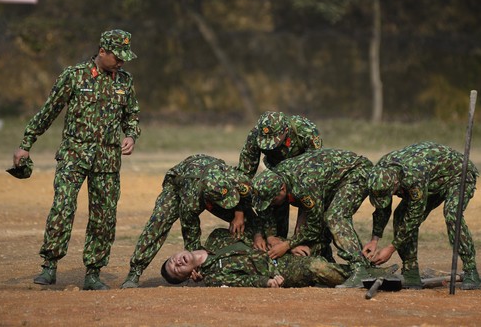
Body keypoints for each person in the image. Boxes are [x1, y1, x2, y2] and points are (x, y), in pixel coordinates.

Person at [10, 29, 141, 291]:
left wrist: (131, 135)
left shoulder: (125, 80)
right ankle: (49, 266)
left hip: (107, 160)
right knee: (63, 207)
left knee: (104, 217)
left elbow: (132, 115)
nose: (121, 62)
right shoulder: (74, 76)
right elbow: (49, 111)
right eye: (117, 56)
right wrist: (26, 145)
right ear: (102, 51)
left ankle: (93, 273)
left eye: (125, 58)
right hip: (74, 155)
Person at [120, 154, 253, 288]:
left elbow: (247, 194)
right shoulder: (191, 202)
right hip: (179, 181)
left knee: (248, 219)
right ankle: (134, 272)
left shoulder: (237, 178)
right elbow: (190, 229)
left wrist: (239, 213)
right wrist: (196, 267)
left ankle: (262, 247)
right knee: (159, 222)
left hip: (212, 178)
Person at [363, 141, 481, 290]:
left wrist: (391, 248)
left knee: (452, 215)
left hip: (457, 176)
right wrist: (374, 239)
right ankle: (411, 273)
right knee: (400, 215)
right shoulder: (381, 171)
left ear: (396, 184)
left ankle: (471, 271)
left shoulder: (414, 177)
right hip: (431, 179)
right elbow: (383, 208)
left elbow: (413, 219)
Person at [251, 148, 377, 288]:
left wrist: (287, 245)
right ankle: (329, 264)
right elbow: (266, 209)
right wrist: (270, 236)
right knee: (311, 238)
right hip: (328, 180)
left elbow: (314, 226)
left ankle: (360, 268)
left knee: (334, 217)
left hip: (356, 172)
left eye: (273, 200)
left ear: (282, 189)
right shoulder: (274, 179)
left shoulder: (304, 185)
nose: (272, 204)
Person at [161, 228, 350, 288]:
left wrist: (288, 244)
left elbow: (251, 230)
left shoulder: (217, 237)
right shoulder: (213, 276)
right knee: (316, 267)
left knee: (322, 234)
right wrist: (268, 282)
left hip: (282, 249)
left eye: (172, 260)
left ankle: (361, 266)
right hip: (279, 269)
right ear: (188, 276)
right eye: (177, 270)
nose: (177, 263)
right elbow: (245, 281)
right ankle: (363, 278)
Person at [237, 111, 323, 239]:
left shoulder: (305, 130)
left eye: (274, 141)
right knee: (275, 221)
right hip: (275, 174)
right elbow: (244, 174)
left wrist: (301, 227)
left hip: (304, 177)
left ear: (286, 130)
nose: (270, 146)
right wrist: (239, 211)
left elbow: (316, 172)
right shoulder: (256, 135)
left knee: (309, 225)